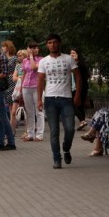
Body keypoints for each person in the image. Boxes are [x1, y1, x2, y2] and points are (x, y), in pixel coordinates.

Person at [37, 34, 82, 169]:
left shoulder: (68, 59)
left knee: (70, 128)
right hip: (50, 99)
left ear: (59, 43)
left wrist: (77, 95)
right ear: (47, 45)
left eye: (55, 42)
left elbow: (78, 77)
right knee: (54, 131)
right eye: (49, 43)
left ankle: (66, 148)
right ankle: (57, 158)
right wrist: (39, 99)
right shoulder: (44, 61)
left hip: (66, 98)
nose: (52, 45)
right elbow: (40, 81)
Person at [21, 41, 44, 142]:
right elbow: (25, 73)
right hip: (26, 86)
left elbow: (34, 68)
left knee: (39, 111)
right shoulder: (24, 60)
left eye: (36, 48)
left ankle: (39, 134)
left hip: (36, 86)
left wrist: (30, 56)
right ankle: (30, 133)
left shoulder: (41, 60)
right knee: (29, 111)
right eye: (32, 48)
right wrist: (21, 87)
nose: (35, 50)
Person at [70, 47, 91, 130]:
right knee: (79, 105)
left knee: (74, 104)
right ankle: (83, 122)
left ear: (78, 55)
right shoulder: (73, 64)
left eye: (74, 53)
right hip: (74, 87)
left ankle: (82, 121)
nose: (72, 55)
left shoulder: (81, 65)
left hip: (80, 87)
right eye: (71, 53)